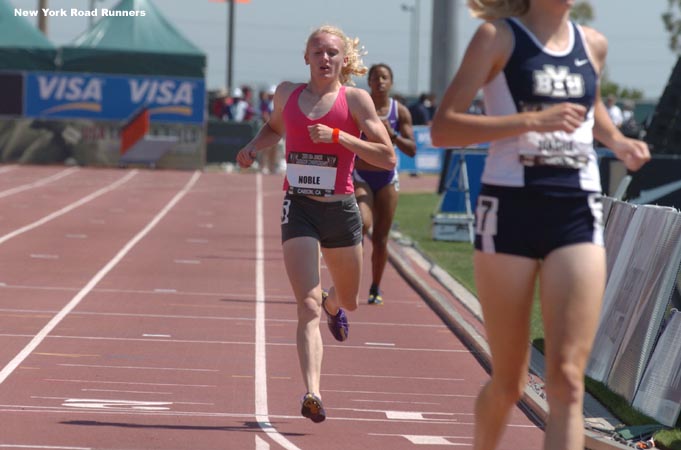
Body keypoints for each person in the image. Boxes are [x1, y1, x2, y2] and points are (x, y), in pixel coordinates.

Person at [430, 1, 650, 449]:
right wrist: (531, 120)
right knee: (509, 383)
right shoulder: (498, 38)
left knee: (568, 383)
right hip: (510, 209)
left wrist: (618, 141)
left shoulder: (594, 45)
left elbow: (592, 108)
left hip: (576, 209)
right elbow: (443, 129)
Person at [236, 25, 395, 423]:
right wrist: (254, 145)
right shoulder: (287, 94)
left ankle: (334, 303)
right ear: (305, 57)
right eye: (317, 52)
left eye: (333, 53)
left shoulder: (356, 100)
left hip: (341, 210)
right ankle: (313, 393)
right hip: (300, 207)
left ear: (344, 60)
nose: (325, 58)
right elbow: (274, 128)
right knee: (305, 304)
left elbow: (387, 157)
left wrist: (339, 137)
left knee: (350, 299)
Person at [354, 63, 416, 304]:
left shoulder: (399, 112)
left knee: (381, 239)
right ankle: (350, 282)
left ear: (391, 82)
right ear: (368, 82)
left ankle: (375, 288)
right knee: (361, 224)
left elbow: (412, 150)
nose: (380, 81)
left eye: (384, 77)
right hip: (361, 175)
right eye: (376, 78)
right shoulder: (359, 105)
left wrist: (394, 136)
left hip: (387, 178)